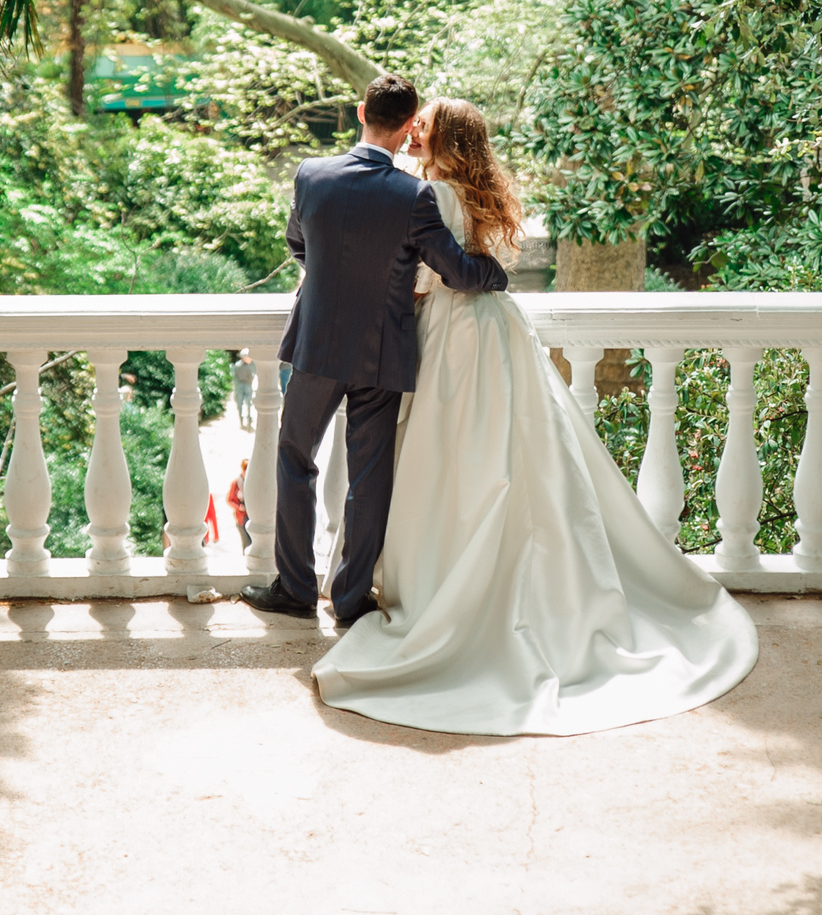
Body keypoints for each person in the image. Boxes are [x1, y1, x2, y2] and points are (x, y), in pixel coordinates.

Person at [310, 98, 758, 735]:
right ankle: (535, 582)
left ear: (443, 138)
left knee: (453, 453)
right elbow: (478, 268)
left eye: (424, 126)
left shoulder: (429, 194)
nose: (413, 131)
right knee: (516, 451)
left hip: (450, 335)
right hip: (497, 330)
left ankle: (441, 585)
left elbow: (435, 276)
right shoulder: (478, 190)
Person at [240, 73, 508, 628]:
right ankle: (349, 598)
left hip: (317, 342)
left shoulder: (311, 174)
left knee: (294, 458)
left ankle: (294, 589)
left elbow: (299, 245)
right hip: (382, 348)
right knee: (369, 476)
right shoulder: (414, 195)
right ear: (409, 126)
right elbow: (459, 273)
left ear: (362, 112)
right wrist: (496, 273)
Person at [227, 459, 249, 550]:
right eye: (245, 470)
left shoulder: (252, 482)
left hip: (252, 514)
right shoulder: (236, 483)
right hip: (242, 516)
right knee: (246, 542)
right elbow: (229, 500)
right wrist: (238, 507)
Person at [231, 350, 256, 428]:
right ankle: (242, 420)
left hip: (247, 385)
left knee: (249, 403)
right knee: (240, 403)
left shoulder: (252, 365)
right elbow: (235, 376)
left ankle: (249, 419)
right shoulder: (238, 365)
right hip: (240, 386)